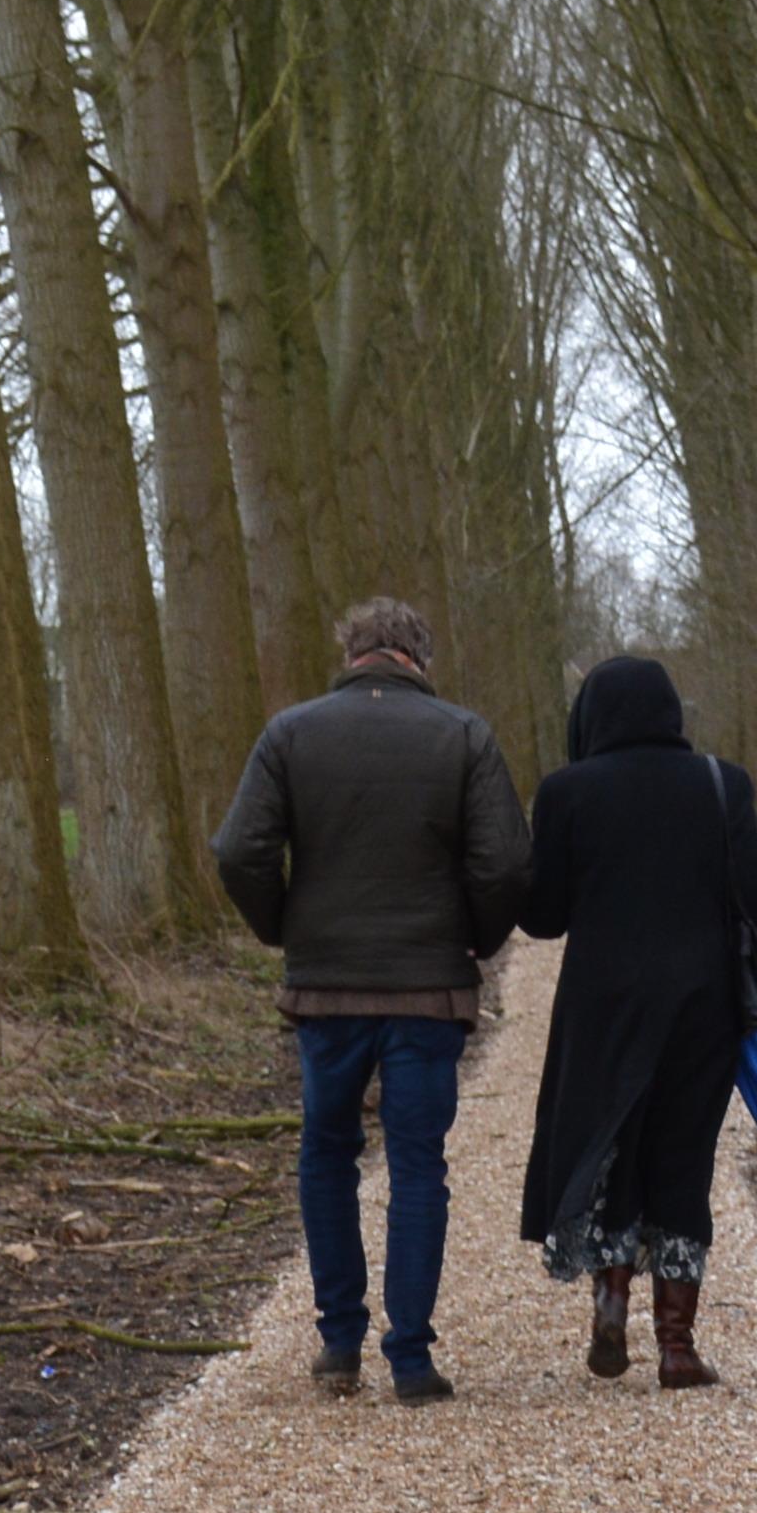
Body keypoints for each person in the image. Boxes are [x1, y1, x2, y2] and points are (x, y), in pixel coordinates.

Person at [208, 594, 531, 1402]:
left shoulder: (290, 732)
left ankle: (339, 1342)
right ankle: (412, 1357)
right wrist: (476, 944)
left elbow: (240, 850)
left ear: (351, 653)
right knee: (418, 1162)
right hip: (429, 990)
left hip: (326, 991)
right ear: (420, 658)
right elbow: (504, 867)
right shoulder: (464, 735)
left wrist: (286, 929)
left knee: (327, 1153)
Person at [512, 653, 757, 1389]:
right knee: (682, 1154)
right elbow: (756, 895)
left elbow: (541, 918)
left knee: (610, 1140)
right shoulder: (722, 784)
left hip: (603, 1003)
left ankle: (610, 1298)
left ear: (591, 717)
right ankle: (676, 1346)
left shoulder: (567, 792)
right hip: (703, 1001)